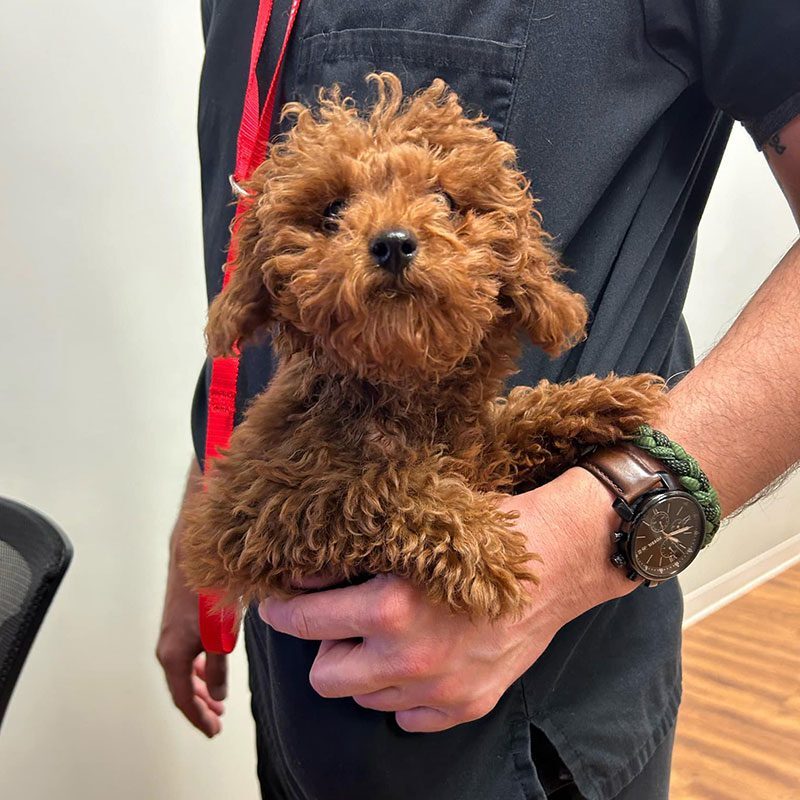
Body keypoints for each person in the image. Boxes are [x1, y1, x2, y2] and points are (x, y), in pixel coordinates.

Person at [157, 2, 800, 798]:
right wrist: (197, 546)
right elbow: (258, 284)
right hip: (296, 707)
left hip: (538, 725)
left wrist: (578, 539)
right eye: (337, 212)